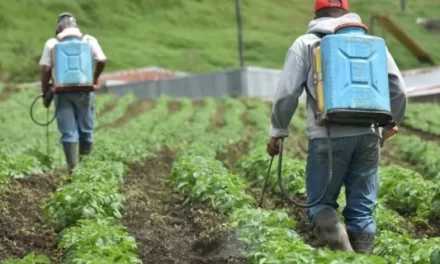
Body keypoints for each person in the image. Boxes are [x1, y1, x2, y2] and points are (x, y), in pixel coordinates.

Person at [266, 0, 407, 254]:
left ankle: (340, 249)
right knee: (362, 211)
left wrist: (278, 131)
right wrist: (390, 125)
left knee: (321, 205)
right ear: (346, 11)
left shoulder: (306, 44)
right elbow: (399, 89)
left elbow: (287, 93)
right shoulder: (373, 44)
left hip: (327, 136)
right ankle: (362, 258)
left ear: (316, 13)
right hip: (368, 136)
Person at [39, 12, 106, 174]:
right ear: (76, 27)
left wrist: (45, 93)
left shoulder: (52, 43)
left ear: (59, 28)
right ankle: (85, 171)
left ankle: (73, 171)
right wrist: (95, 79)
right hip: (85, 91)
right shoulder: (89, 40)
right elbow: (102, 60)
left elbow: (46, 69)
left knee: (68, 133)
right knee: (86, 130)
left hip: (62, 93)